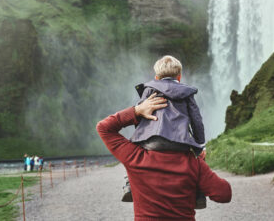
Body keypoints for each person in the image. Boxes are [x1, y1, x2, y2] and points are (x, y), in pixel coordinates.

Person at [96, 93, 232, 220]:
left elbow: (104, 128)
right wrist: (201, 165)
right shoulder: (193, 163)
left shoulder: (135, 156)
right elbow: (224, 194)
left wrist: (137, 111)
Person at [123, 55, 206, 208]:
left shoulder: (149, 89)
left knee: (131, 154)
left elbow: (141, 113)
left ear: (156, 77)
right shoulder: (187, 93)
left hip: (152, 142)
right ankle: (199, 194)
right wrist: (200, 145)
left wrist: (141, 136)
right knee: (199, 161)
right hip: (180, 142)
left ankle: (129, 186)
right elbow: (196, 120)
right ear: (179, 77)